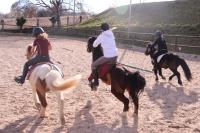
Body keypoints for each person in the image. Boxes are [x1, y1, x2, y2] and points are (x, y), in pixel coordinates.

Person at [91, 23, 118, 88]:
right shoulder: (111, 33)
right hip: (116, 55)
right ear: (108, 28)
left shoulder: (102, 36)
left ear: (102, 29)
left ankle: (96, 83)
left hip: (108, 57)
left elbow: (94, 45)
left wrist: (100, 36)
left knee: (93, 65)